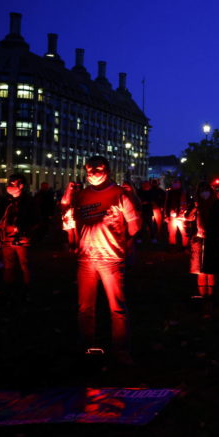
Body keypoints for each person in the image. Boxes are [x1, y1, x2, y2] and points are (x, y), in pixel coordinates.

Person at [61, 156, 141, 364]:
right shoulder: (81, 196)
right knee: (85, 307)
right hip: (85, 258)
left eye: (97, 168)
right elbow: (68, 220)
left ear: (107, 170)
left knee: (117, 306)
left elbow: (134, 226)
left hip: (111, 258)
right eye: (88, 169)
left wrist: (126, 243)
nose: (92, 173)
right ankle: (87, 346)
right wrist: (72, 240)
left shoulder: (120, 195)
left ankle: (121, 349)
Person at [188, 181, 219, 311]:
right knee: (199, 269)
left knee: (210, 268)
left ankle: (210, 295)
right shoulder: (197, 205)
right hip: (198, 241)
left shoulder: (216, 205)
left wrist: (216, 236)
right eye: (201, 191)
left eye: (206, 190)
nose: (204, 193)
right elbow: (187, 217)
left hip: (212, 241)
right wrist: (194, 208)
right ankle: (201, 294)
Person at [0, 174, 38, 302]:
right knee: (8, 266)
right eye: (9, 182)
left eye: (13, 183)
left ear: (21, 186)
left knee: (25, 265)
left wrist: (24, 231)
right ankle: (8, 290)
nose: (9, 185)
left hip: (22, 239)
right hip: (6, 239)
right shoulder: (6, 200)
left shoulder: (29, 201)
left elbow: (36, 220)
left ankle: (27, 290)